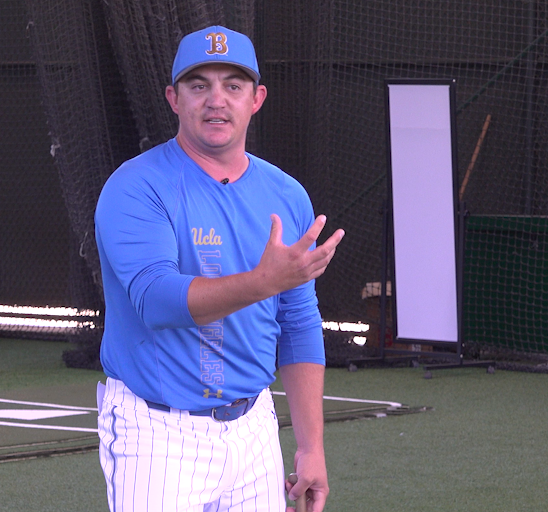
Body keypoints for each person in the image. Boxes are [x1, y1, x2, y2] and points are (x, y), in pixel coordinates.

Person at [94, 25, 344, 512]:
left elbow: (297, 323)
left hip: (254, 427)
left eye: (233, 85)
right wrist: (262, 282)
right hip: (159, 431)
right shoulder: (135, 186)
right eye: (198, 84)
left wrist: (312, 449)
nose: (216, 100)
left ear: (257, 98)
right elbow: (157, 300)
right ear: (173, 98)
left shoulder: (286, 194)